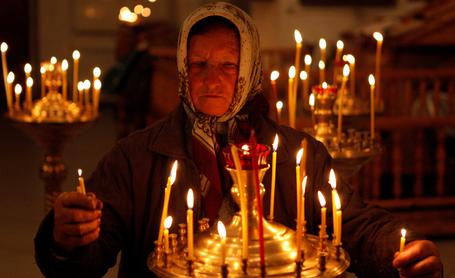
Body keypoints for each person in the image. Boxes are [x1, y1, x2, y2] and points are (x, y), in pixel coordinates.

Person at [34, 2, 443, 278]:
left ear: (251, 69)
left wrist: (399, 249)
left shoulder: (300, 155)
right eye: (199, 64)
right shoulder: (135, 157)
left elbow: (353, 225)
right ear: (181, 69)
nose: (212, 80)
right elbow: (86, 257)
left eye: (229, 65)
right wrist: (64, 238)